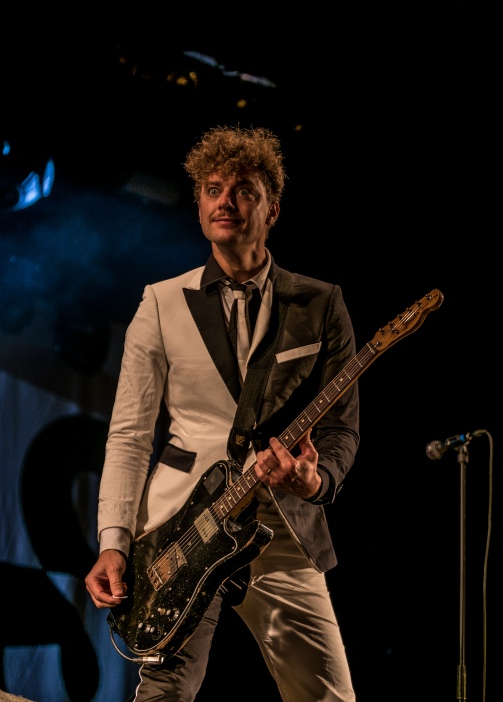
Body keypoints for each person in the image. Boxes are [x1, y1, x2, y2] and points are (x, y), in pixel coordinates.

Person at [85, 125, 360, 701]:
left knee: (328, 697)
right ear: (199, 204)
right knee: (165, 691)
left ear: (273, 209)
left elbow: (340, 429)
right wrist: (114, 540)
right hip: (182, 526)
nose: (225, 202)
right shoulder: (160, 301)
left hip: (278, 526)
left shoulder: (319, 302)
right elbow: (131, 436)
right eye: (212, 189)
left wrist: (316, 480)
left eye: (242, 191)